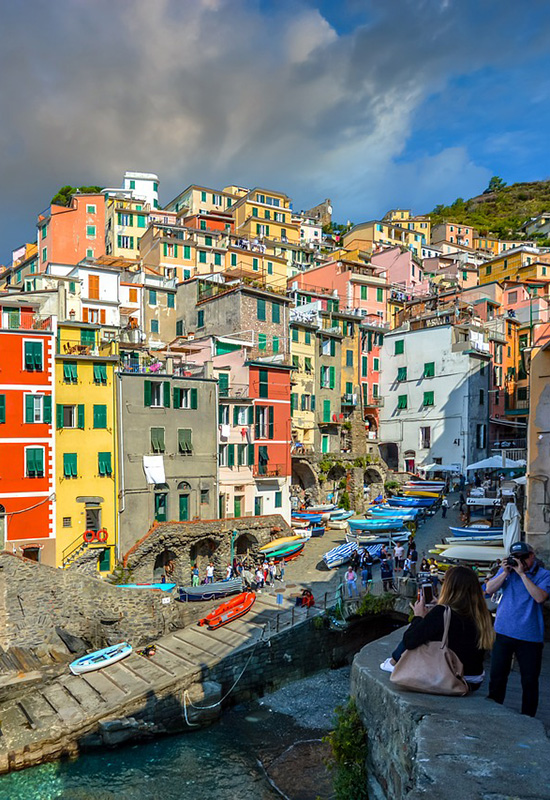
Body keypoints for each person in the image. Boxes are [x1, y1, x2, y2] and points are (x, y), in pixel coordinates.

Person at [380, 565, 494, 692]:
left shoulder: (442, 613)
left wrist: (418, 617)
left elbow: (410, 641)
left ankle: (394, 661)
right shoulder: (484, 615)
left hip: (452, 677)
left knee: (419, 634)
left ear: (449, 588)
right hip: (474, 679)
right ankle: (393, 661)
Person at [486, 542, 550, 716]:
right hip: (504, 631)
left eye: (523, 557)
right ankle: (493, 711)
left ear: (532, 556)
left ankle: (528, 718)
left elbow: (539, 598)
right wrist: (505, 572)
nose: (519, 561)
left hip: (529, 636)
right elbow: (489, 589)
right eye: (516, 557)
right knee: (498, 676)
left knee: (529, 681)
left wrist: (522, 574)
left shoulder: (544, 575)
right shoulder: (508, 571)